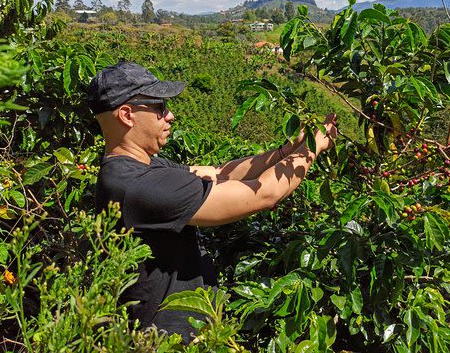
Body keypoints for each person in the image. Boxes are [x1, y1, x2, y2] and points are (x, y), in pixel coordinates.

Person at [86, 61, 337, 342]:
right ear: (127, 115)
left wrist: (286, 150)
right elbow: (265, 193)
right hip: (170, 342)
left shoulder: (137, 169)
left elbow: (220, 173)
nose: (170, 115)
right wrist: (315, 146)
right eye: (159, 107)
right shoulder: (143, 186)